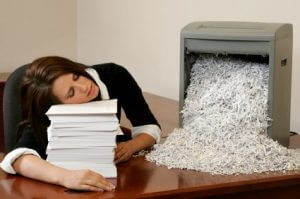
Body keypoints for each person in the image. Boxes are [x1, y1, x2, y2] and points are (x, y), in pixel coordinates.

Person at [0, 56, 161, 192]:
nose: (84, 86)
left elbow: (150, 127)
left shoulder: (115, 76)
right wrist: (65, 177)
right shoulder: (48, 113)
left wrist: (130, 146)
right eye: (71, 92)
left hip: (112, 180)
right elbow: (18, 158)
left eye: (76, 77)